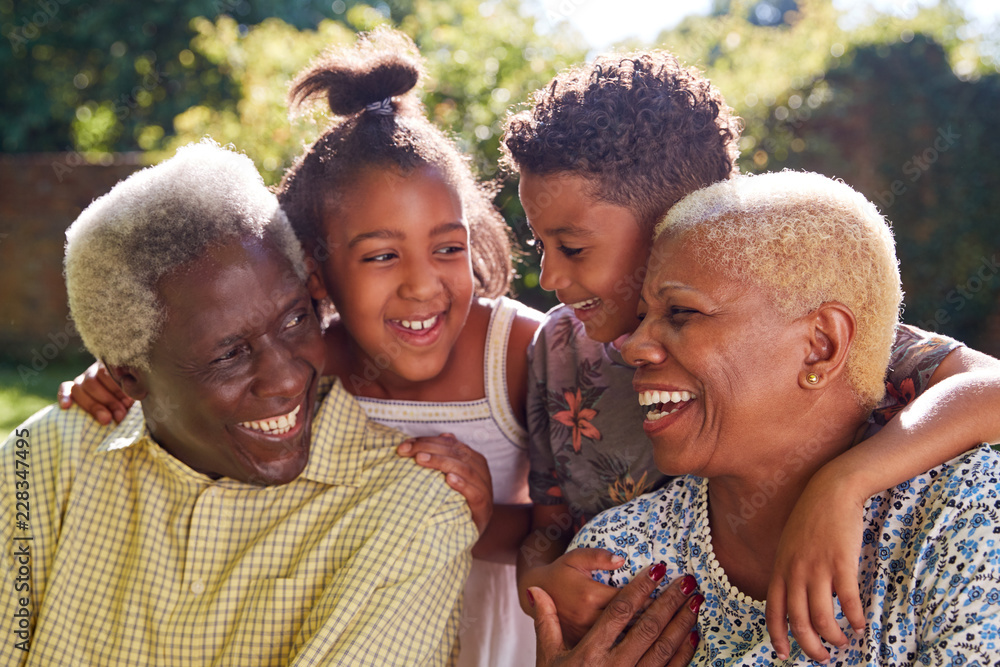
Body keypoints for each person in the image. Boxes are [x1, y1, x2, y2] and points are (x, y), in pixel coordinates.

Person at [58, 28, 542, 667]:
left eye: (448, 247)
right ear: (315, 272)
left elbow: (578, 519)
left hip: (501, 633)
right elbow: (200, 373)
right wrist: (119, 373)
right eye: (382, 255)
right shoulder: (308, 364)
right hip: (359, 621)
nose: (424, 284)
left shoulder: (517, 352)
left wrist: (489, 518)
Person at [501, 49, 1000, 660]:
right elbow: (542, 529)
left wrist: (842, 484)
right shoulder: (558, 350)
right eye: (539, 243)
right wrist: (543, 591)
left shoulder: (817, 334)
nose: (548, 275)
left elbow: (990, 389)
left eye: (573, 248)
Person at [4, 139, 477, 666]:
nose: (284, 379)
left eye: (296, 319)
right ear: (130, 376)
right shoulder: (40, 462)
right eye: (229, 354)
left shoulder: (412, 513)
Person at [567, 170, 1000, 664]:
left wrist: (842, 482)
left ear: (821, 347)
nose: (634, 348)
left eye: (682, 312)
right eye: (643, 316)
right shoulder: (617, 559)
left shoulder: (964, 519)